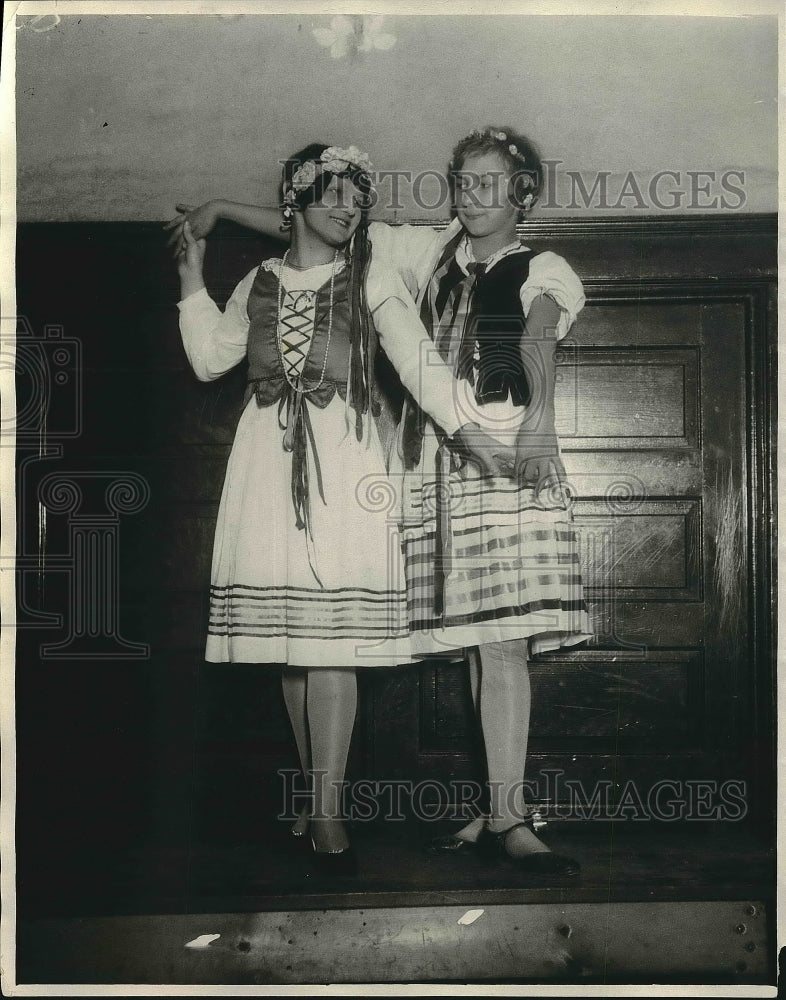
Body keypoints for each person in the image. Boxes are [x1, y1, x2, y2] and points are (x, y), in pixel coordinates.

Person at [166, 126, 591, 875]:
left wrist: (522, 428)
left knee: (481, 642)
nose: (471, 197)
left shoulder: (499, 266)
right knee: (397, 640)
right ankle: (466, 806)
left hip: (463, 449)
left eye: (489, 184)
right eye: (463, 183)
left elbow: (514, 338)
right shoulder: (407, 252)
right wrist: (211, 231)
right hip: (393, 466)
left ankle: (491, 815)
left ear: (523, 194)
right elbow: (305, 232)